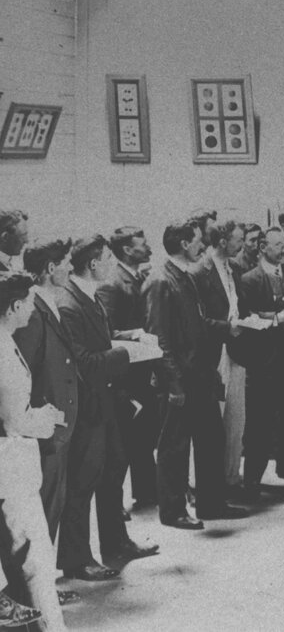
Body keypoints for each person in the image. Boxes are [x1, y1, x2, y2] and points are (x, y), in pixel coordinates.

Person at [59, 236, 158, 578]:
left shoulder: (88, 296)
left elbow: (98, 342)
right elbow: (84, 363)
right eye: (106, 258)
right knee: (83, 484)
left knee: (114, 471)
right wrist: (126, 354)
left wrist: (126, 340)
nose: (110, 264)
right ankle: (76, 559)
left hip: (106, 402)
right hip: (89, 407)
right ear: (93, 264)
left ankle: (116, 542)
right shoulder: (70, 304)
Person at [144, 221, 247, 530]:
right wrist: (173, 384)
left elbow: (197, 325)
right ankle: (173, 512)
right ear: (186, 244)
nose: (205, 246)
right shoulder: (161, 281)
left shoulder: (185, 275)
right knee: (174, 448)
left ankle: (211, 503)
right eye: (200, 241)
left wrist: (224, 332)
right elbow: (158, 339)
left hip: (200, 374)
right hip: (179, 380)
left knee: (210, 439)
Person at [0, 272, 68, 632]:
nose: (31, 309)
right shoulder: (4, 352)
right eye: (28, 302)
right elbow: (16, 421)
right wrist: (47, 418)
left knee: (27, 556)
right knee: (36, 557)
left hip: (11, 465)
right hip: (11, 467)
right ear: (14, 307)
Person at [14, 241, 79, 542]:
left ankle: (45, 587)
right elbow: (24, 375)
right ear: (50, 269)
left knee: (53, 503)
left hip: (56, 425)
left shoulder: (48, 302)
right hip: (44, 428)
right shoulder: (33, 311)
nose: (71, 266)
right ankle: (40, 588)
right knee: (43, 508)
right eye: (65, 261)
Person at [239, 228, 284, 489]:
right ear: (263, 248)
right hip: (264, 361)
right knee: (259, 423)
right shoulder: (250, 279)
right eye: (278, 245)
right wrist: (279, 319)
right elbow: (248, 317)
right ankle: (252, 482)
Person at [96, 226, 157, 510]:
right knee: (121, 437)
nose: (147, 248)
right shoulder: (112, 283)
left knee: (143, 433)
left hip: (143, 365)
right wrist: (136, 334)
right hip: (125, 370)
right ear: (127, 250)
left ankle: (147, 491)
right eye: (142, 245)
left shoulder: (138, 276)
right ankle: (115, 503)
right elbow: (106, 331)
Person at [194, 220, 248, 494]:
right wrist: (228, 328)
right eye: (239, 239)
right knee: (213, 424)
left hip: (236, 351)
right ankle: (211, 486)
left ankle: (231, 478)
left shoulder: (234, 268)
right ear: (223, 241)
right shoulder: (200, 272)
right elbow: (198, 320)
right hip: (213, 353)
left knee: (236, 419)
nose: (243, 244)